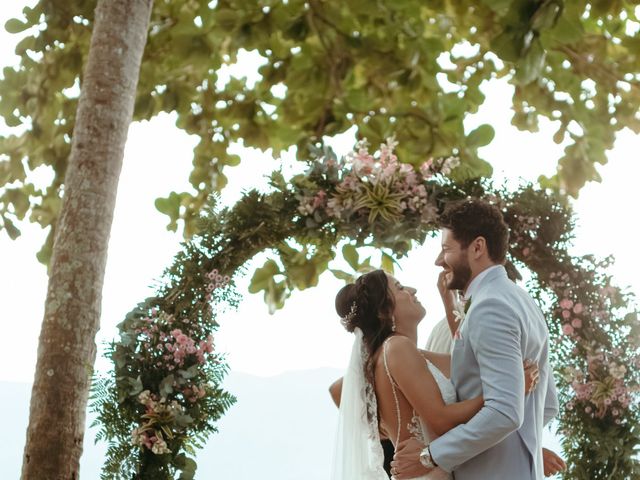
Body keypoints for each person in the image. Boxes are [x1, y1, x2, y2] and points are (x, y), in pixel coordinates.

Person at [392, 199, 561, 479]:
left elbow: (505, 413)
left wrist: (430, 455)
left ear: (477, 247)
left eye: (446, 249)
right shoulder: (522, 300)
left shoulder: (489, 307)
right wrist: (518, 451)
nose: (438, 260)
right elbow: (548, 404)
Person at [330, 269, 540, 480]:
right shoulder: (396, 347)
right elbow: (442, 420)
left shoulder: (399, 356)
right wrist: (510, 391)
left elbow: (467, 359)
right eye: (400, 288)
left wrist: (448, 301)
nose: (412, 290)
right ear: (384, 311)